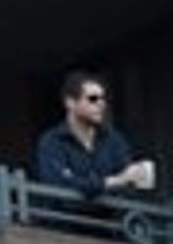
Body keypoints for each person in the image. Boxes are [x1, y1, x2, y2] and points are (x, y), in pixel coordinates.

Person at [35, 70, 156, 215]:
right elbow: (60, 188)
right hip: (66, 231)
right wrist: (112, 182)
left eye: (103, 99)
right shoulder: (52, 142)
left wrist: (87, 184)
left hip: (112, 230)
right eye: (93, 99)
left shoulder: (114, 139)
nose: (101, 104)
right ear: (70, 103)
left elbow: (129, 187)